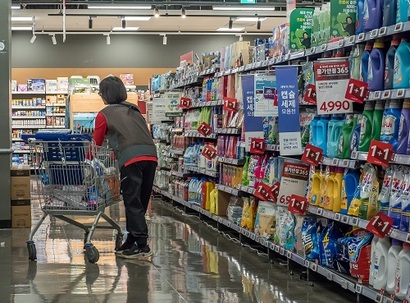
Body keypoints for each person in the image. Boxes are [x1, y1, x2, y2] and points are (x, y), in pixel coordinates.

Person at [93, 76, 157, 259]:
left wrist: (86, 159)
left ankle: (142, 246)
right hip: (150, 156)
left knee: (132, 200)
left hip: (131, 159)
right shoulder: (134, 109)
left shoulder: (104, 114)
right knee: (140, 201)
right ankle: (131, 240)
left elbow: (95, 144)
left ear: (105, 94)